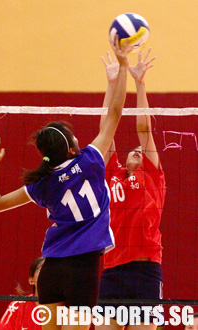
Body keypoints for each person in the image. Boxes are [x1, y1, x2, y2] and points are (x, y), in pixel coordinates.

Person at [0, 36, 133, 330]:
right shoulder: (90, 161)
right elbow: (113, 115)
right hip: (82, 270)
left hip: (50, 271)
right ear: (73, 149)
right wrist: (123, 65)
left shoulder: (43, 183)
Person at [96, 48, 166, 330]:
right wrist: (112, 84)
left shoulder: (153, 175)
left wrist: (139, 82)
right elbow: (106, 133)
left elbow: (144, 131)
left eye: (142, 151)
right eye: (133, 150)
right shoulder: (112, 174)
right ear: (123, 159)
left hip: (144, 268)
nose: (138, 150)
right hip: (112, 269)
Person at [0, 257, 45, 330]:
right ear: (31, 280)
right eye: (42, 269)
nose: (48, 274)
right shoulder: (17, 305)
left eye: (53, 271)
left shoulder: (64, 308)